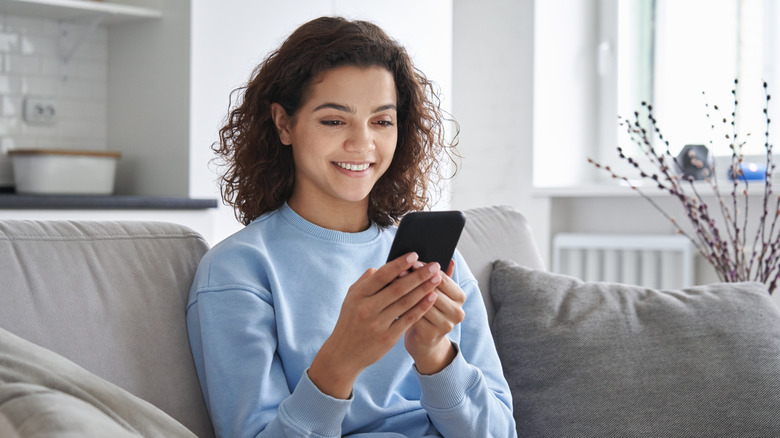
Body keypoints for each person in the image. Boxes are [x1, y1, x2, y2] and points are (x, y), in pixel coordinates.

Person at [186, 16, 516, 438]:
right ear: (284, 124)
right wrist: (341, 360)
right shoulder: (237, 272)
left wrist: (435, 356)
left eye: (382, 121)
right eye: (333, 120)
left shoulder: (437, 264)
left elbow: (500, 433)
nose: (362, 144)